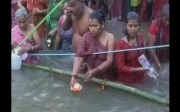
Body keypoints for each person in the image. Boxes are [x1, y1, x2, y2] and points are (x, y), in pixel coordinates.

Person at [70, 9, 117, 87]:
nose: (92, 29)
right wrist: (74, 76)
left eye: (95, 26)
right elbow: (79, 57)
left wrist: (95, 71)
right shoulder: (86, 37)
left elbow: (109, 60)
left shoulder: (110, 37)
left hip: (107, 78)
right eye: (90, 26)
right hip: (90, 76)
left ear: (102, 25)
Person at [115, 12, 149, 84]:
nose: (133, 29)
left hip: (140, 77)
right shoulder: (120, 45)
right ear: (125, 26)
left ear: (139, 26)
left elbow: (143, 57)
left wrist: (150, 70)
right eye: (130, 26)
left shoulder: (140, 38)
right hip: (126, 81)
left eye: (135, 26)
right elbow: (120, 68)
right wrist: (138, 69)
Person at [147, 4, 169, 71]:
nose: (167, 23)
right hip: (155, 56)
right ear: (161, 17)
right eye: (165, 20)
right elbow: (150, 47)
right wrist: (158, 65)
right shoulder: (155, 24)